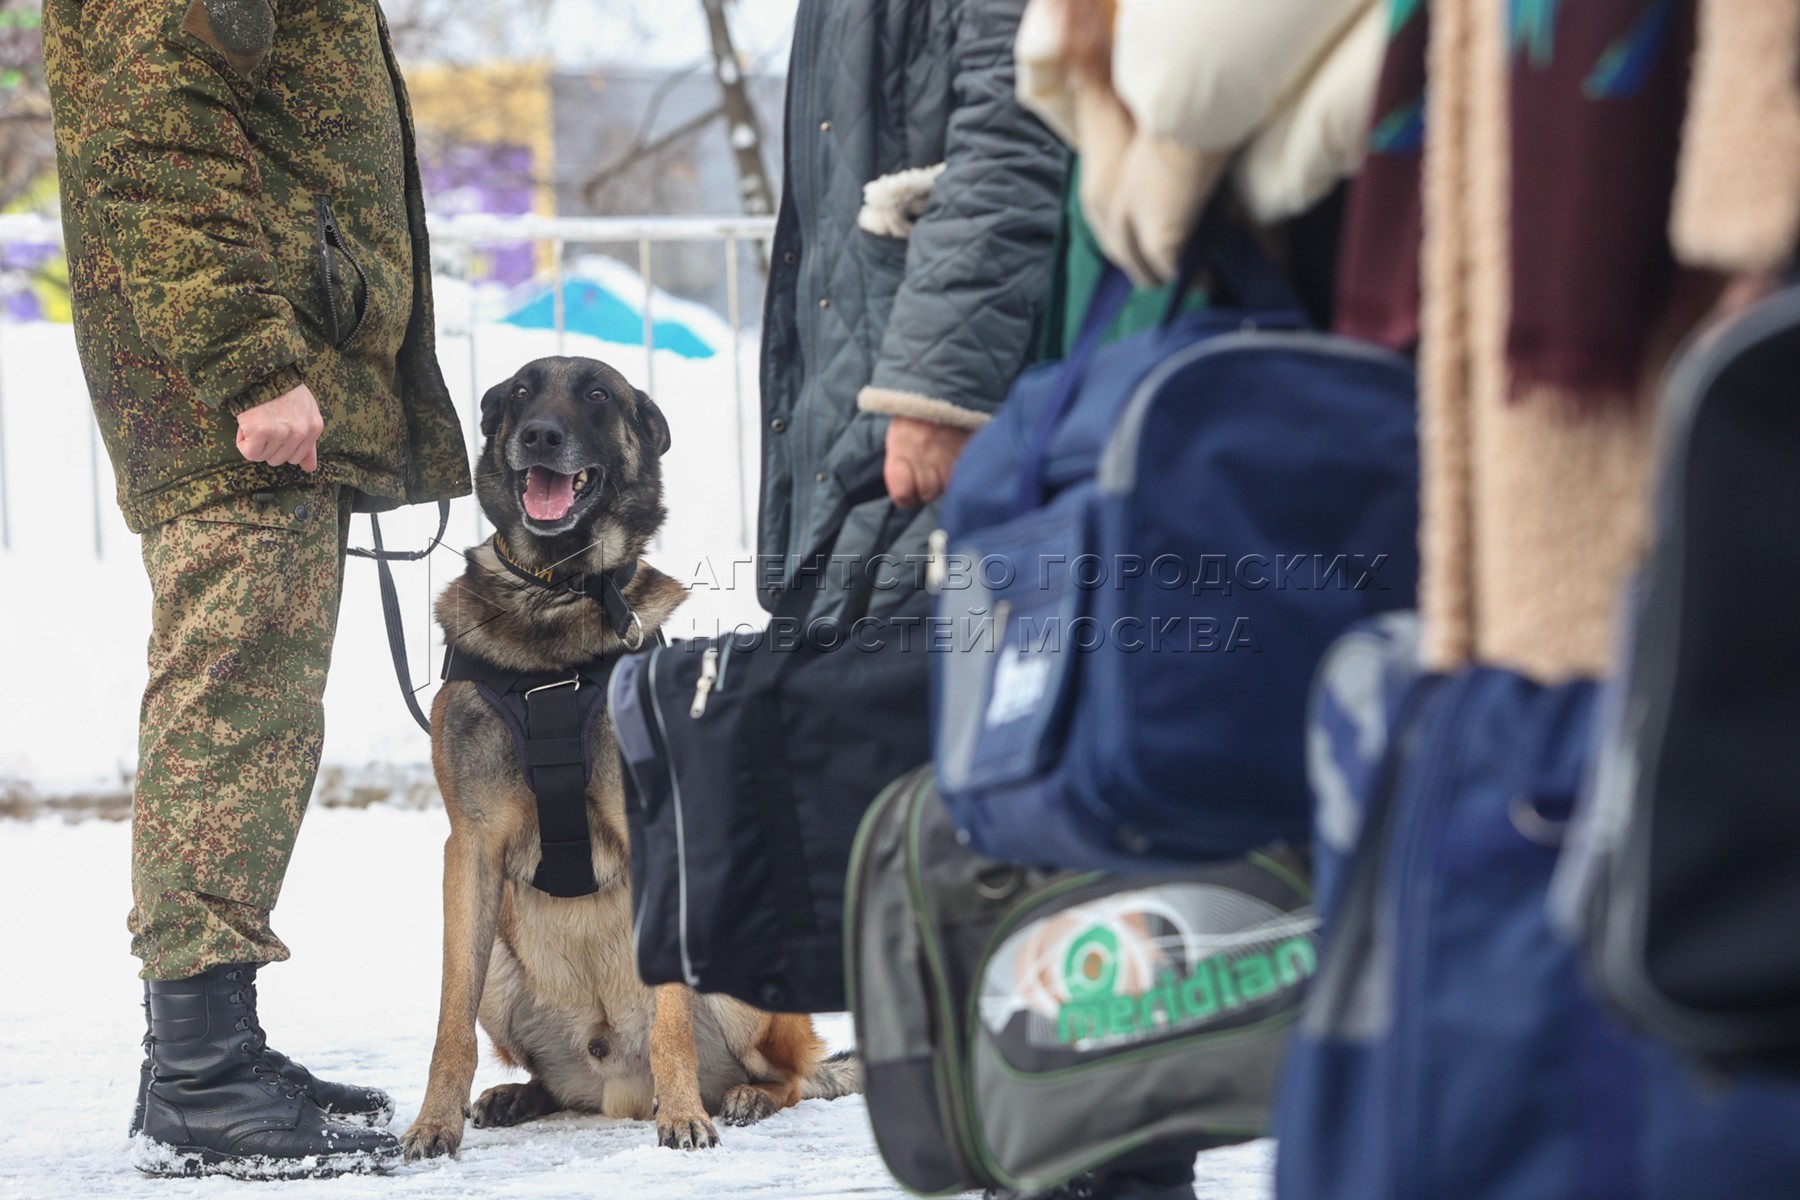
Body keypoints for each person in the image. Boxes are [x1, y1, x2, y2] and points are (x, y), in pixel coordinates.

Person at [42, 0, 469, 1178]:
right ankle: (198, 1075)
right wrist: (252, 360)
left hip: (272, 378)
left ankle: (210, 1051)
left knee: (258, 709)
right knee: (232, 704)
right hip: (235, 391)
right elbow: (155, 138)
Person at [758, 0, 1067, 621]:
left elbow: (1013, 141)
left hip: (931, 407)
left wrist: (930, 391)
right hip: (867, 386)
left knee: (920, 666)